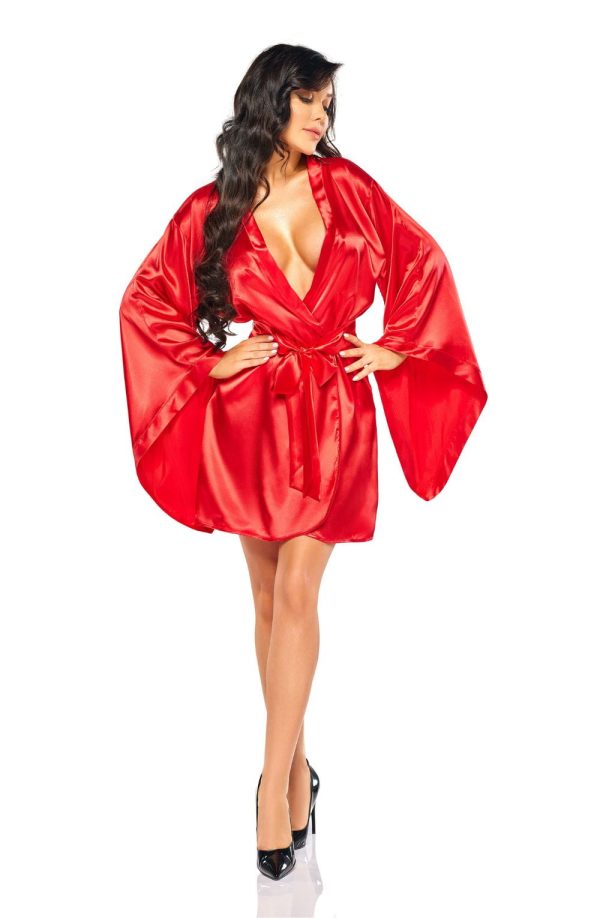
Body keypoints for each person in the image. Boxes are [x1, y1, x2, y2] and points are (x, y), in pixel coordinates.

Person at [118, 43, 488, 880]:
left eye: (328, 104)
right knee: (263, 599)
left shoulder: (348, 188)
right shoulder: (214, 206)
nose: (322, 116)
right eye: (309, 100)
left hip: (334, 413)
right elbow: (144, 300)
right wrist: (211, 362)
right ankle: (297, 776)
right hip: (253, 416)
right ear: (270, 101)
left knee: (296, 592)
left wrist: (397, 349)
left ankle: (266, 791)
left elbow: (423, 263)